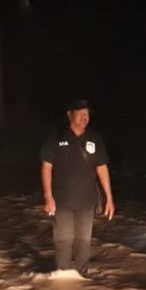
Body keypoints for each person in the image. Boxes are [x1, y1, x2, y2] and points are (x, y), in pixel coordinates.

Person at [40, 99, 115, 275]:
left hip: (87, 200)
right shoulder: (57, 137)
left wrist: (109, 198)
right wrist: (48, 196)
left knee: (84, 242)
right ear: (69, 114)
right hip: (62, 200)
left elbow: (102, 168)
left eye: (87, 114)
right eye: (80, 113)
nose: (85, 117)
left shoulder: (95, 138)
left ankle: (82, 278)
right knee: (63, 241)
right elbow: (46, 167)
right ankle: (63, 278)